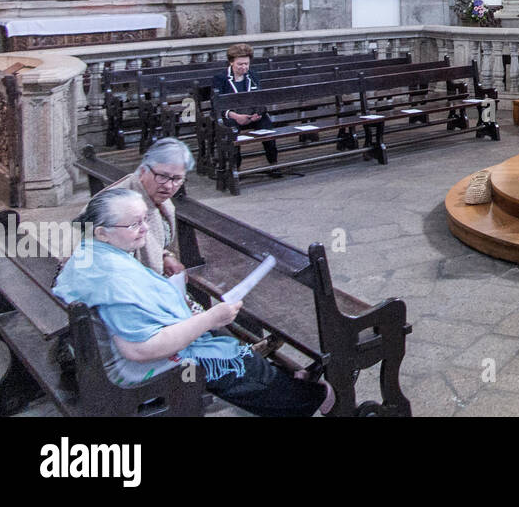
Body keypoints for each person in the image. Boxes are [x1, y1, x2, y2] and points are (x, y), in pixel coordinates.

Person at [52, 188, 331, 416]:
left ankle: (288, 384)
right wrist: (210, 318)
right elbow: (139, 349)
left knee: (223, 340)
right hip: (129, 371)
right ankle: (308, 400)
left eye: (145, 220)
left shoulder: (92, 254)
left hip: (99, 353)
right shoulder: (112, 277)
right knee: (230, 358)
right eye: (134, 224)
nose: (144, 229)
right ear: (101, 232)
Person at [97, 138, 194, 276]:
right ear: (143, 171)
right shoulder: (117, 207)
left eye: (177, 179)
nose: (168, 186)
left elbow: (154, 241)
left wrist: (165, 256)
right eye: (162, 176)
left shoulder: (158, 197)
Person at [213, 43, 280, 173]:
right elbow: (217, 104)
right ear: (231, 62)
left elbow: (259, 97)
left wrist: (257, 113)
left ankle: (273, 163)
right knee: (232, 131)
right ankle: (235, 168)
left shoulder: (252, 76)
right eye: (240, 64)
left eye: (246, 64)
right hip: (232, 116)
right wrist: (236, 116)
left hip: (251, 114)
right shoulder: (220, 78)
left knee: (267, 126)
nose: (244, 67)